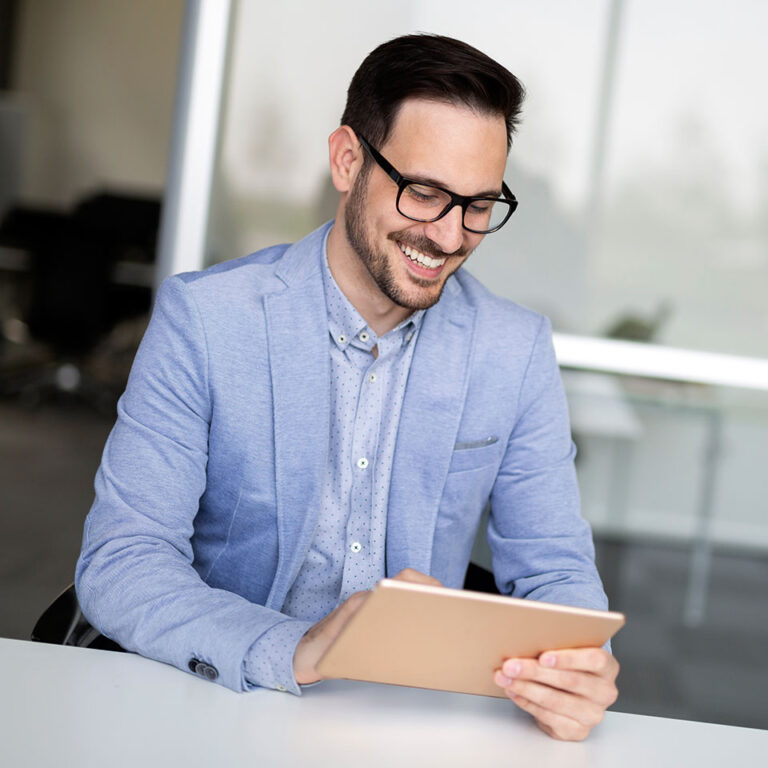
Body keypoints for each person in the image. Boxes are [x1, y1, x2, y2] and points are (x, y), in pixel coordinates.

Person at [76, 34, 618, 741]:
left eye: (479, 205)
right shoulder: (207, 321)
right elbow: (123, 561)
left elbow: (557, 572)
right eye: (424, 192)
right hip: (218, 703)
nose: (450, 235)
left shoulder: (512, 352)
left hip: (404, 726)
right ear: (347, 160)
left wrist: (581, 662)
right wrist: (297, 650)